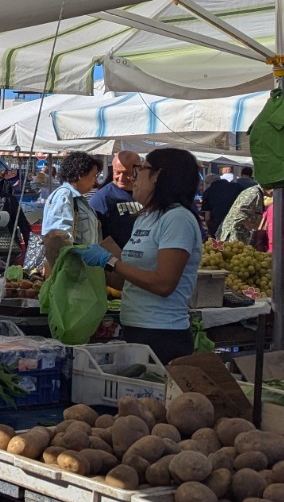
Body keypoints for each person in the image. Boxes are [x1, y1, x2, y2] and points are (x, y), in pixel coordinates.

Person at [81, 149, 204, 360]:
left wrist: (110, 261)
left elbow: (163, 284)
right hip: (134, 327)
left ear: (159, 176)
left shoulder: (177, 219)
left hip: (163, 333)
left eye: (142, 169)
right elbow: (129, 281)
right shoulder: (145, 217)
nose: (134, 177)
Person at [42, 152, 104, 260]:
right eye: (94, 176)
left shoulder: (77, 198)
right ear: (81, 175)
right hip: (71, 267)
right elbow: (59, 239)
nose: (95, 181)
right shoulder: (64, 196)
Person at [91, 152, 143, 249]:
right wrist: (115, 260)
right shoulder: (102, 198)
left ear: (138, 170)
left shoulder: (146, 194)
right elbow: (94, 236)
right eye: (117, 172)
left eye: (127, 173)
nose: (121, 178)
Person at [200, 164, 254, 237]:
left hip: (217, 225)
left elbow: (207, 218)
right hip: (235, 224)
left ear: (208, 183)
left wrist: (211, 232)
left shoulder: (208, 192)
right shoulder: (237, 186)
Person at [218, 182, 269, 246]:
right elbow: (240, 212)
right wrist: (250, 227)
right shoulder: (254, 193)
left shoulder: (258, 193)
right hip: (234, 234)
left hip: (240, 234)